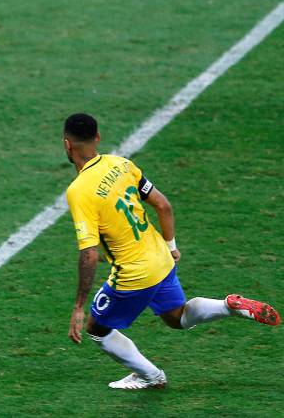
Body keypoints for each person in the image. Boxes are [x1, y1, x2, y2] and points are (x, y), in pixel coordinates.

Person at [62, 112, 279, 389]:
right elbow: (163, 205)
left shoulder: (78, 190)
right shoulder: (121, 164)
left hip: (134, 273)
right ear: (98, 138)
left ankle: (151, 376)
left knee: (97, 329)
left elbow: (89, 254)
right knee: (178, 318)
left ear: (68, 145)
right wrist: (171, 247)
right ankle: (228, 306)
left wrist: (79, 306)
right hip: (160, 257)